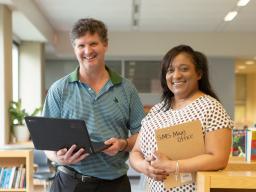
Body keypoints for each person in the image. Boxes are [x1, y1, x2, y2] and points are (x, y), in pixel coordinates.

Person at [42, 18, 145, 192]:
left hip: (115, 184)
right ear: (74, 49)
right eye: (81, 45)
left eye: (93, 43)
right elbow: (46, 141)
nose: (87, 51)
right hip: (70, 182)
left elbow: (142, 135)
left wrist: (123, 144)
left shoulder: (127, 89)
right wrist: (58, 158)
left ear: (105, 44)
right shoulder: (59, 89)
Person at [129, 45, 233, 192]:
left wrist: (173, 166)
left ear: (198, 73)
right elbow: (135, 153)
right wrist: (145, 167)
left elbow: (218, 158)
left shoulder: (210, 107)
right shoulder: (157, 110)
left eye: (184, 69)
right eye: (170, 70)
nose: (176, 75)